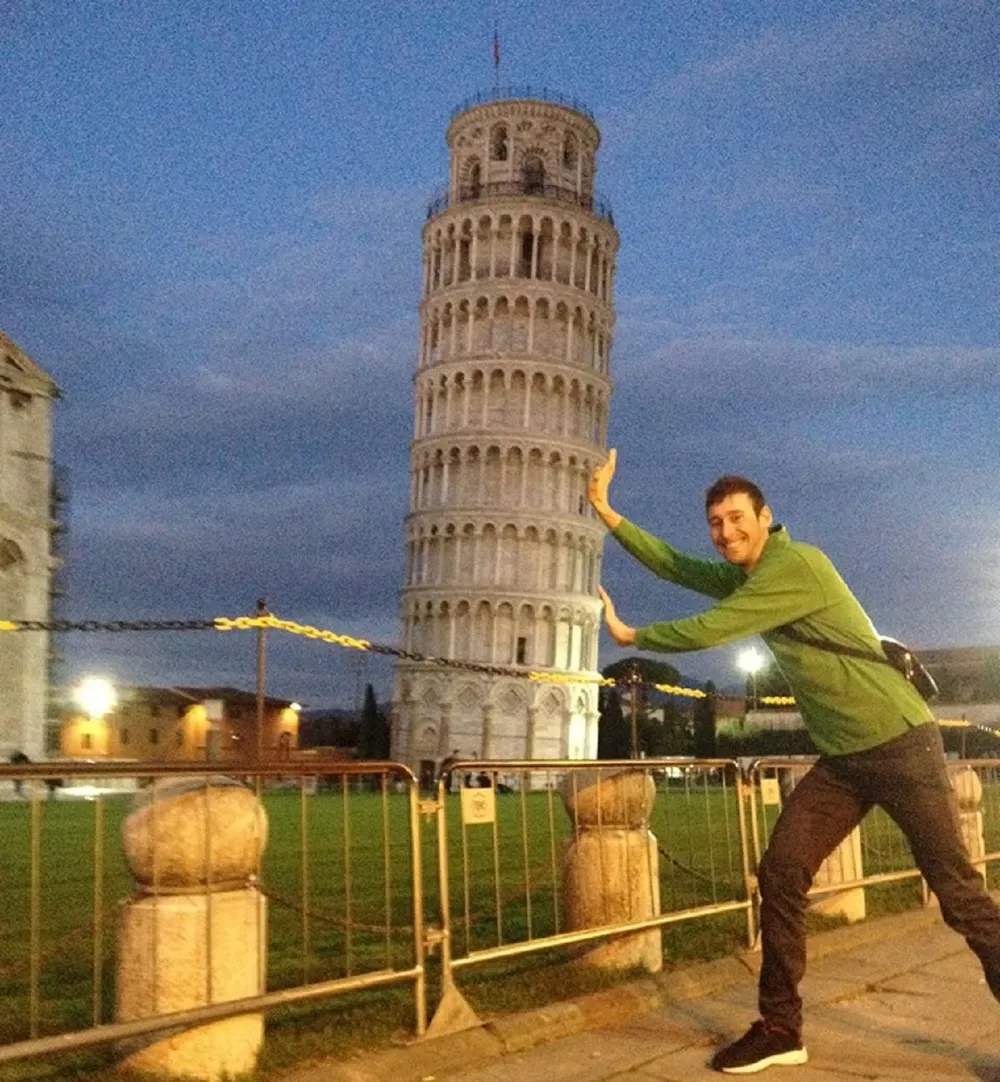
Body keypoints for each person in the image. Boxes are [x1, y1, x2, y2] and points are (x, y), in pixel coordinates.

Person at [589, 449, 1000, 1075]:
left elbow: (711, 627)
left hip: (899, 743)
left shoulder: (796, 565)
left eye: (735, 518)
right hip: (842, 757)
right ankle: (780, 1027)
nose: (725, 533)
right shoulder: (753, 575)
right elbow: (677, 567)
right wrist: (609, 515)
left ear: (765, 516)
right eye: (716, 523)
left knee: (958, 895)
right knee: (781, 873)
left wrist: (636, 637)